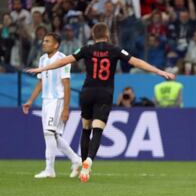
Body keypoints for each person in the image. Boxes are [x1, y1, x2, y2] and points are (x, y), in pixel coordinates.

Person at [27, 23, 175, 183]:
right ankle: (88, 162)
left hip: (88, 93)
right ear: (107, 34)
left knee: (85, 129)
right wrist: (159, 71)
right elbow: (136, 62)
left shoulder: (86, 49)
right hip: (104, 94)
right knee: (97, 131)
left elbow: (65, 61)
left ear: (93, 34)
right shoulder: (115, 49)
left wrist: (42, 69)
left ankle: (83, 163)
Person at [22, 33, 82, 178]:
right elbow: (41, 82)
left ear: (56, 45)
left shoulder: (63, 60)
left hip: (57, 100)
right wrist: (30, 100)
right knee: (52, 134)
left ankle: (49, 169)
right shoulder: (42, 59)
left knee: (49, 133)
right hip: (46, 101)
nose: (44, 43)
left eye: (47, 41)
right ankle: (76, 159)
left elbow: (66, 85)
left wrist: (66, 108)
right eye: (43, 41)